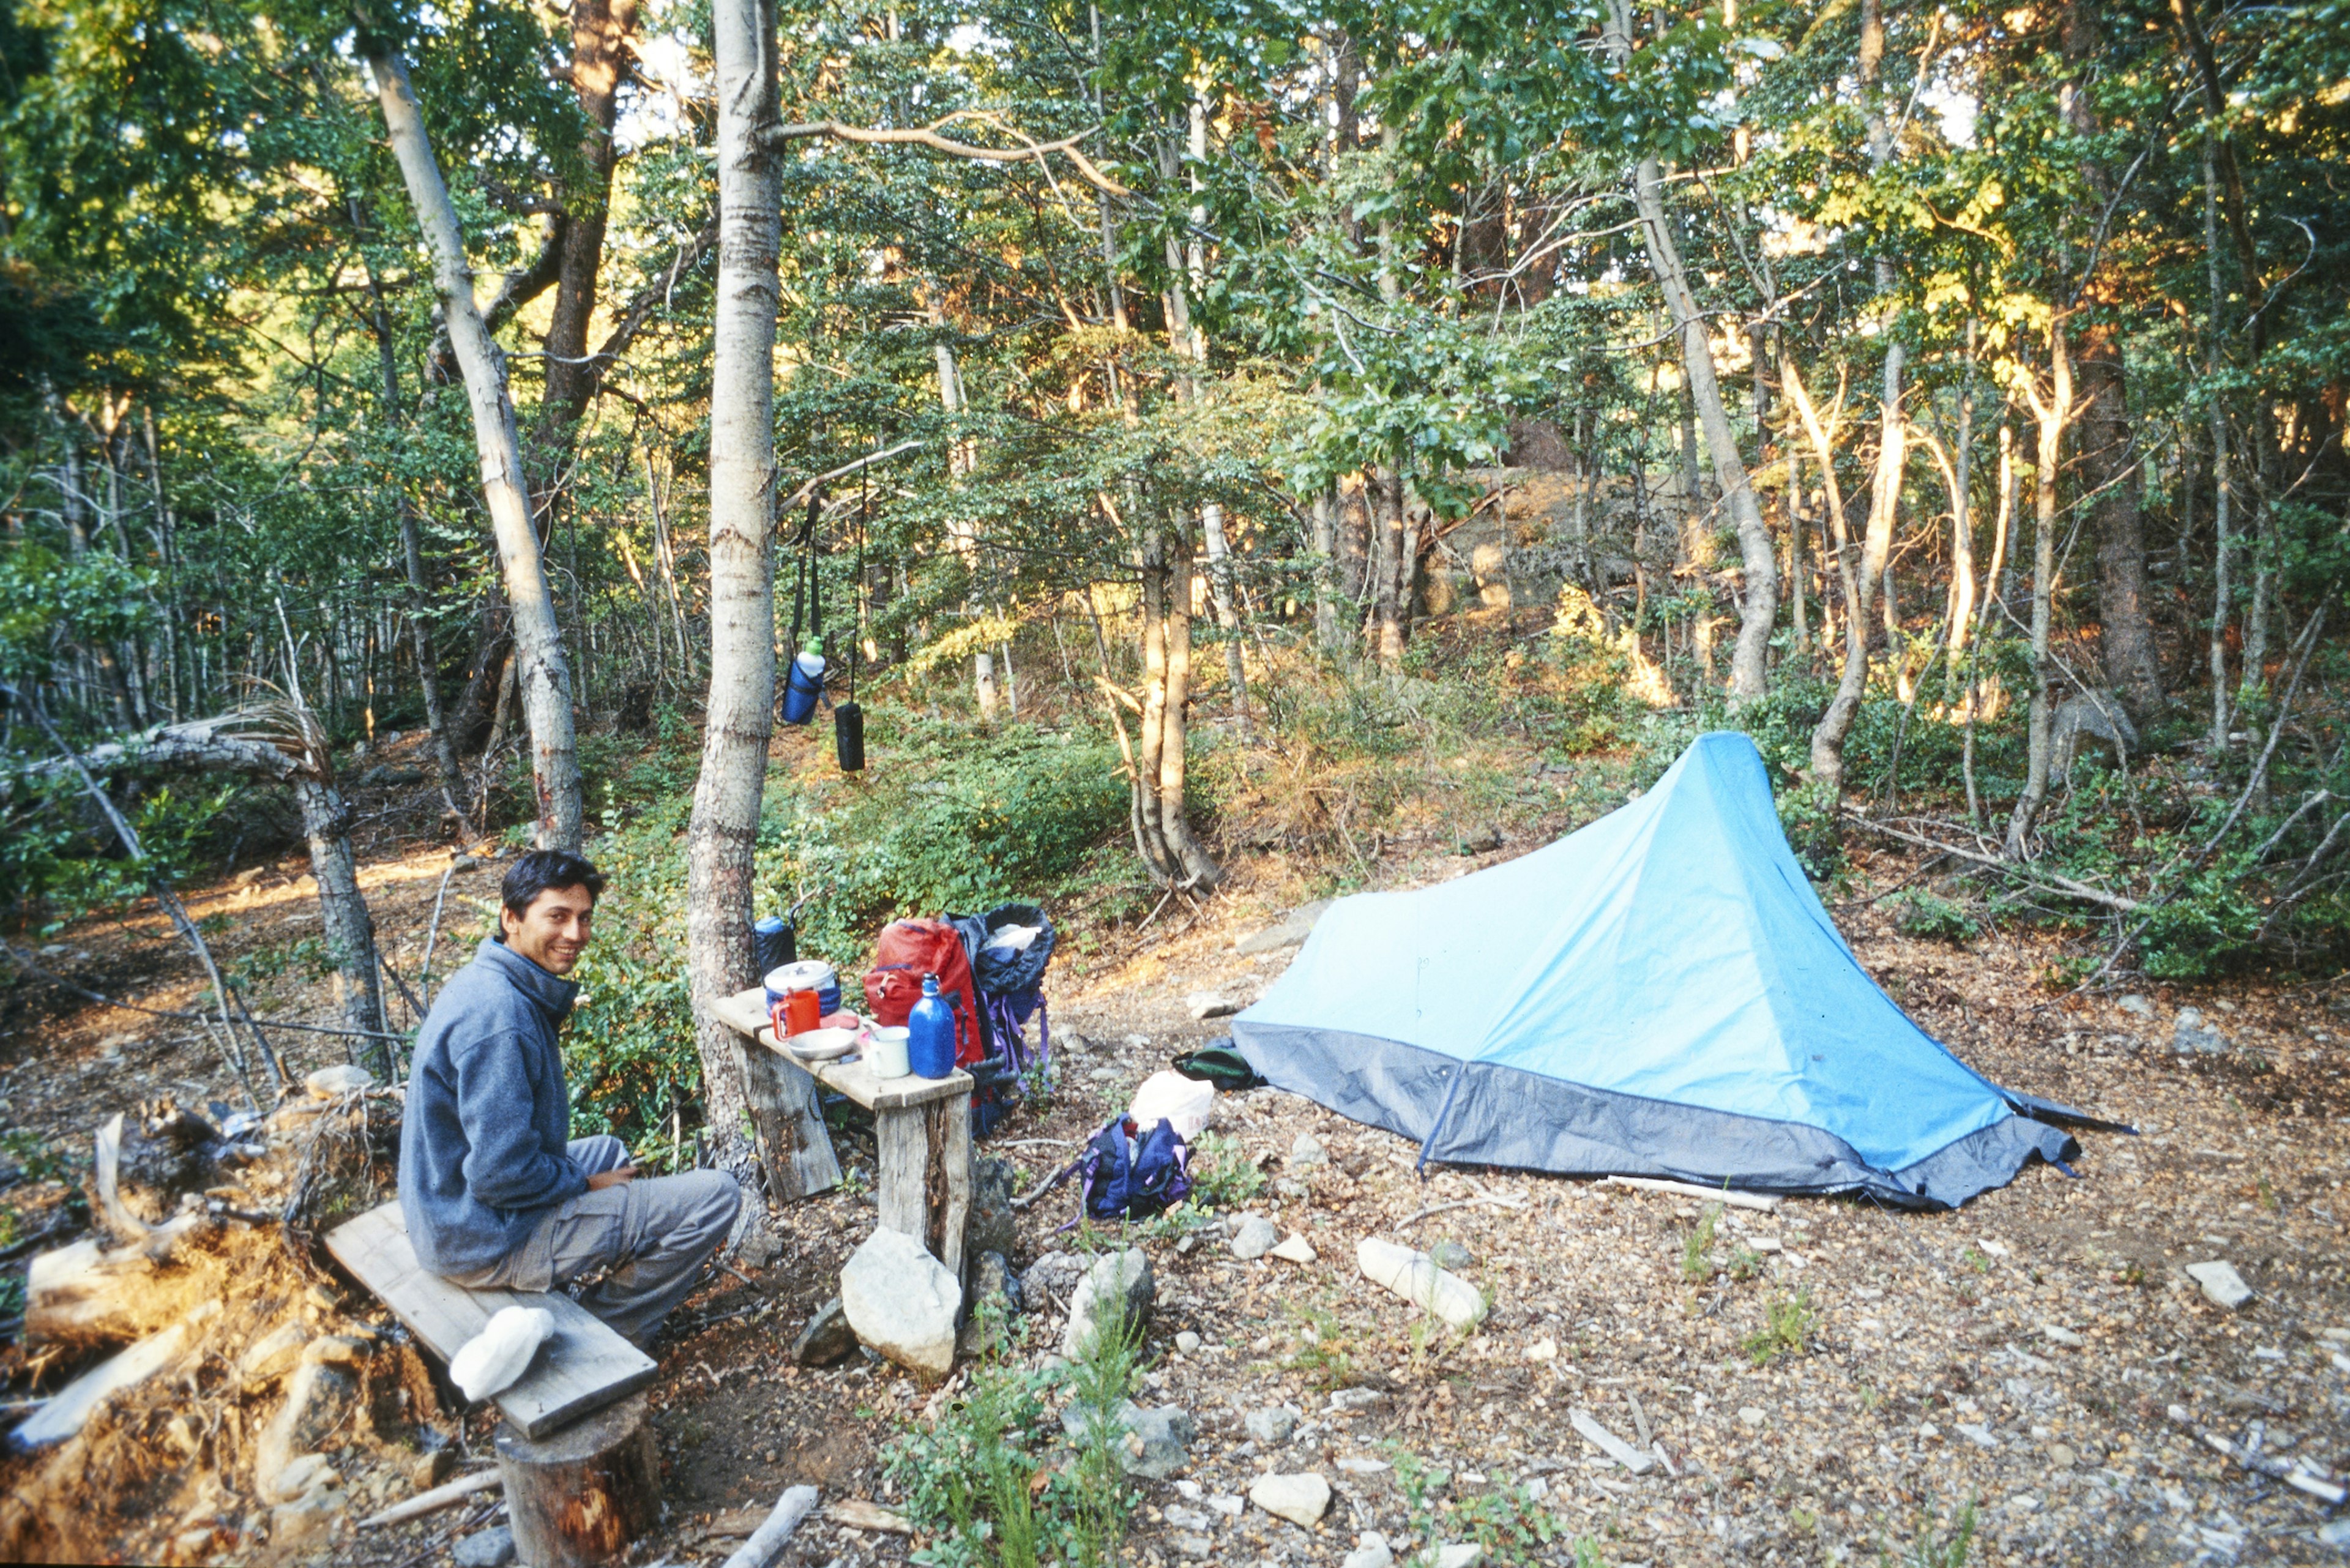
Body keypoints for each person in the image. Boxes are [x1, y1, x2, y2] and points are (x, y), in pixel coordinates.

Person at [398, 848, 739, 1347]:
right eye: (556, 916)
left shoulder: (492, 979)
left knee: (610, 1151)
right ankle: (606, 1333)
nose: (575, 934)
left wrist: (588, 1179)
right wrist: (583, 1184)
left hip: (451, 1210)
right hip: (481, 1239)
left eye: (583, 918)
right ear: (511, 918)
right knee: (717, 1195)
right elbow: (500, 1174)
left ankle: (574, 1272)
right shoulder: (499, 1017)